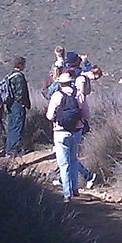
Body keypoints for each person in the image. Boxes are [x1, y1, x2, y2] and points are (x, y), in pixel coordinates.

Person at [46, 71, 89, 202]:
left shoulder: (56, 96)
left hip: (60, 132)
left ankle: (67, 193)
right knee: (74, 159)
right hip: (76, 132)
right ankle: (75, 188)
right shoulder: (79, 95)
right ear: (71, 82)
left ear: (60, 83)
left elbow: (49, 115)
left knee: (64, 164)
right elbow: (87, 115)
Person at [3, 56, 31, 158]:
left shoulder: (10, 75)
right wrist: (24, 103)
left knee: (11, 126)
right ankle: (13, 150)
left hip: (10, 104)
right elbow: (20, 93)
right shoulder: (19, 77)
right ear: (21, 64)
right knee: (17, 126)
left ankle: (9, 149)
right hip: (17, 105)